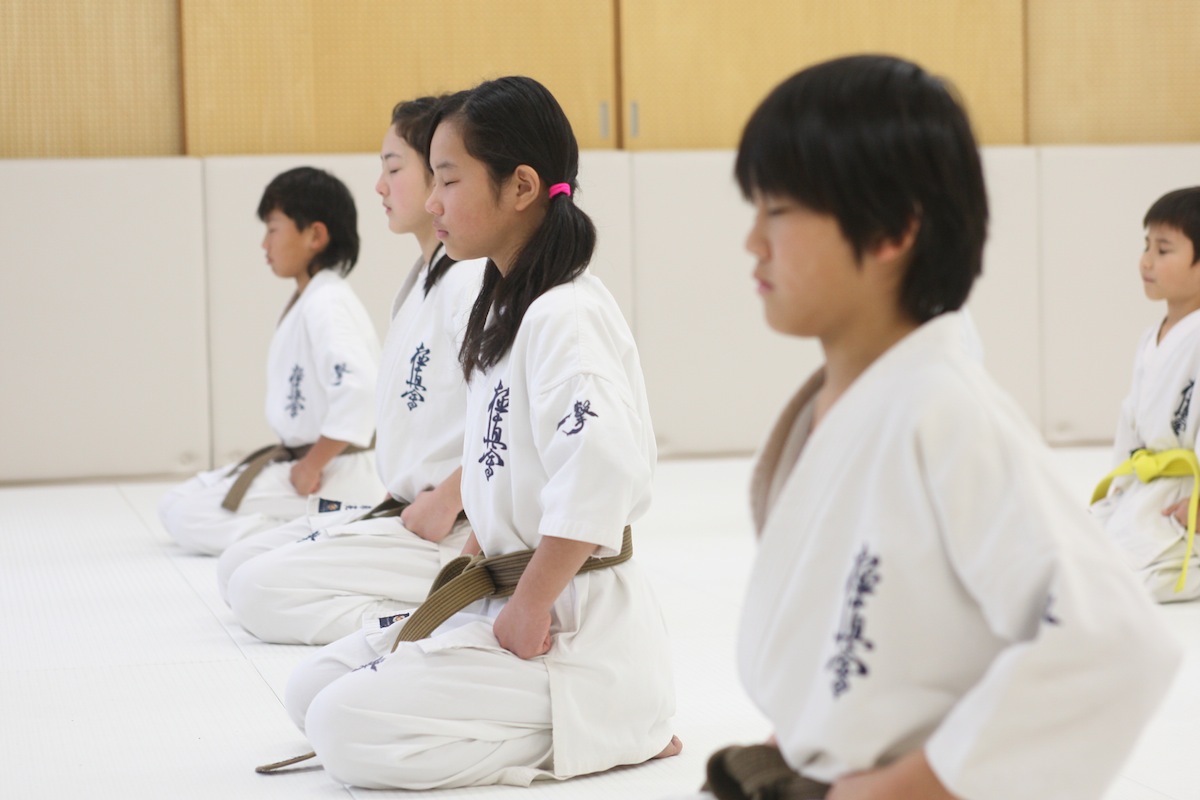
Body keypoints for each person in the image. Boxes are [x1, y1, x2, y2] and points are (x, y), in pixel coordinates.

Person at [691, 55, 1181, 800]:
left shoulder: (943, 411)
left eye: (779, 211)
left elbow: (1116, 642)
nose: (753, 241)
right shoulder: (848, 406)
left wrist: (908, 785)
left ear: (891, 229)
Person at [276, 76, 679, 790]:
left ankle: (617, 728)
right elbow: (506, 471)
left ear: (520, 186)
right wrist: (472, 568)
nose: (432, 201)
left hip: (570, 629)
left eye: (448, 179)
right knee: (312, 692)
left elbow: (601, 470)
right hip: (505, 592)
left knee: (341, 724)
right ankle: (584, 722)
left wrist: (529, 604)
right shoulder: (505, 305)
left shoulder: (564, 314)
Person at [218, 97, 487, 645]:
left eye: (394, 168)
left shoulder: (467, 279)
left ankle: (457, 613)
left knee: (254, 589)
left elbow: (509, 414)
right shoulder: (426, 280)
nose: (380, 187)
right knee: (237, 566)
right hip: (408, 507)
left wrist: (450, 499)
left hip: (452, 527)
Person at [159, 167, 382, 556]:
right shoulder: (312, 297)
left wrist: (311, 465)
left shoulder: (328, 303)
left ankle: (326, 530)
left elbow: (359, 390)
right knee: (178, 500)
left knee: (186, 514)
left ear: (315, 235)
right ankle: (315, 527)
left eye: (273, 229)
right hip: (313, 463)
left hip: (336, 470)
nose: (265, 244)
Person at [1091, 187, 1200, 603]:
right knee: (1080, 544)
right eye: (1146, 246)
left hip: (1185, 496)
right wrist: (1121, 483)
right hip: (1147, 487)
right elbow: (1130, 420)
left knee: (1125, 579)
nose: (1146, 261)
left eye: (1164, 249)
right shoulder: (1151, 339)